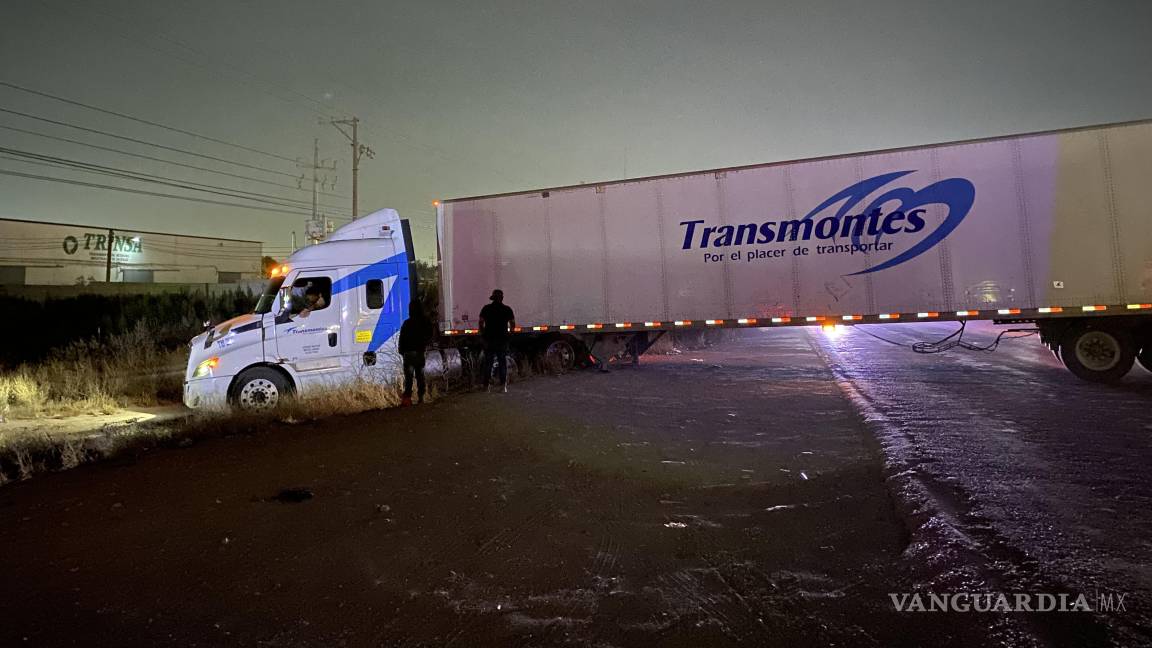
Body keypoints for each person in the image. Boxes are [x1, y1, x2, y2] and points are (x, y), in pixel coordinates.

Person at [398, 299, 435, 405]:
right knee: (420, 376)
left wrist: (402, 351)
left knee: (408, 378)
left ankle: (407, 399)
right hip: (419, 352)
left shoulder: (407, 323)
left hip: (408, 354)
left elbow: (402, 339)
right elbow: (430, 334)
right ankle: (421, 398)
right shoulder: (425, 321)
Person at [479, 289, 516, 393]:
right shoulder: (507, 309)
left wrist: (482, 335)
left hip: (489, 340)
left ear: (493, 298)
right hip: (502, 340)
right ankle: (503, 387)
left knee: (488, 363)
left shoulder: (486, 309)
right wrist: (510, 334)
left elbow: (481, 322)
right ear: (502, 298)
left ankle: (486, 386)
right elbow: (513, 323)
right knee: (502, 363)